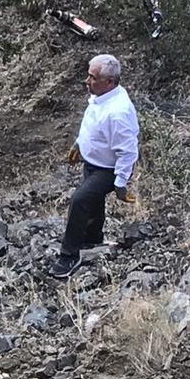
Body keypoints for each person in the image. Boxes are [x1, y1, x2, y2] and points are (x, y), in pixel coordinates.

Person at [51, 54, 139, 279]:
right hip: (92, 162)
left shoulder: (118, 112)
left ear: (109, 82)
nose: (86, 81)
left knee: (80, 200)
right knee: (93, 201)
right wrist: (79, 144)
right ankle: (92, 239)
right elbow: (93, 124)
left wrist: (120, 183)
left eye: (93, 77)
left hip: (108, 169)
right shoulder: (101, 96)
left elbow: (127, 151)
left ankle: (69, 256)